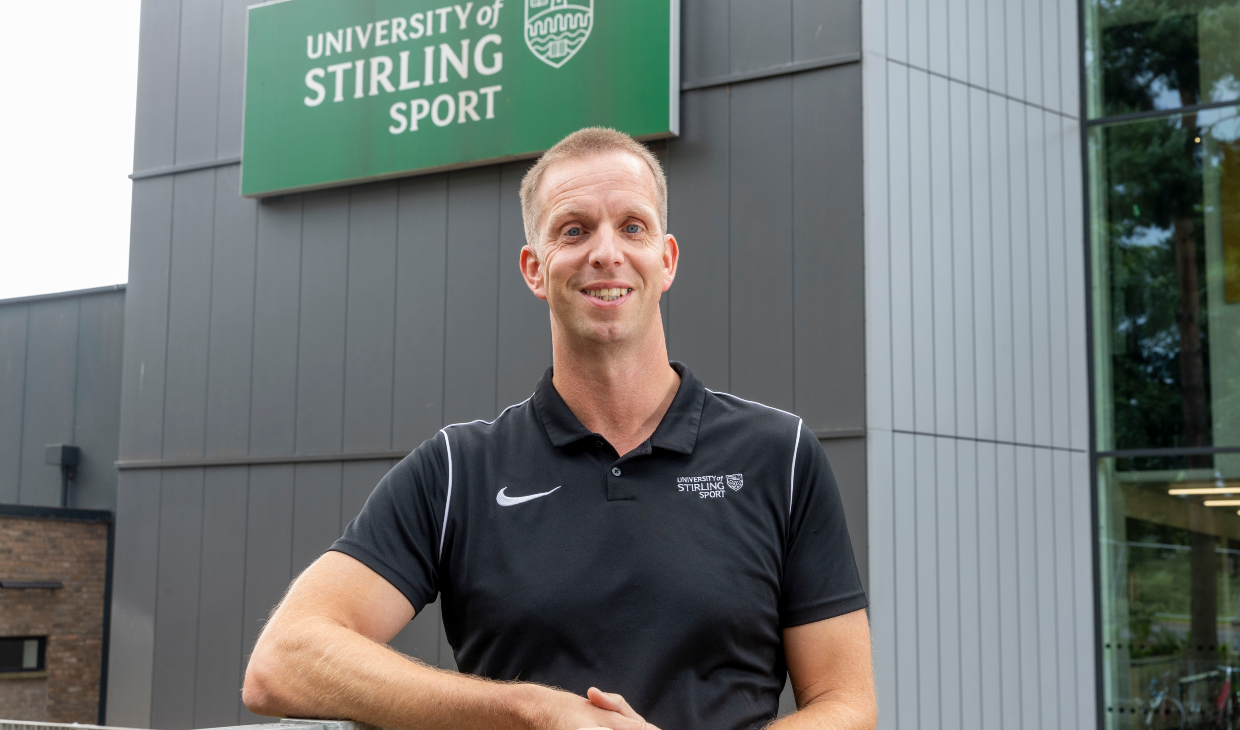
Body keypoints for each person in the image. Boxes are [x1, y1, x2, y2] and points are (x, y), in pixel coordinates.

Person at [242, 128, 876, 730]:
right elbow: (282, 660)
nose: (606, 252)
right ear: (534, 268)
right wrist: (531, 711)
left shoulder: (780, 456)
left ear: (666, 259)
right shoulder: (459, 470)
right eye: (574, 230)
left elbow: (846, 702)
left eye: (633, 226)